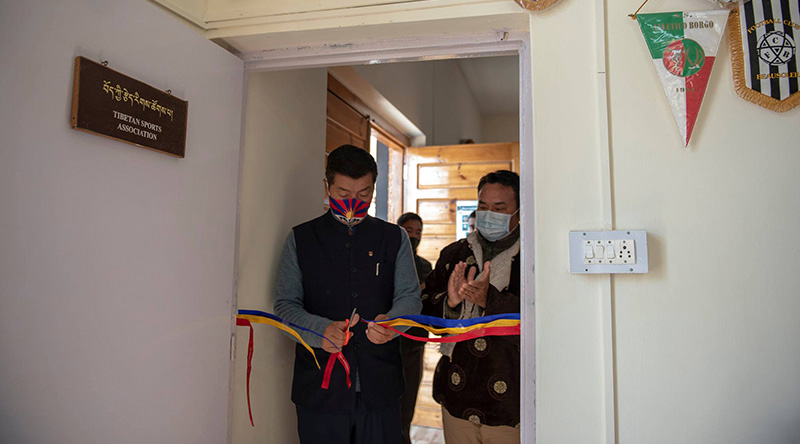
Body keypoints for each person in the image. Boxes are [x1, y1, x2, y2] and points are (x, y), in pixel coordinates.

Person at [274, 145, 422, 444]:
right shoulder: (301, 239)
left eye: (364, 194)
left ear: (374, 189)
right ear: (326, 186)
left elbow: (410, 297)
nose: (353, 203)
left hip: (381, 386)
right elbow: (285, 305)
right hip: (319, 390)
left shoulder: (394, 238)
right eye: (343, 194)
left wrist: (393, 323)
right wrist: (319, 331)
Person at [421, 170, 521, 444]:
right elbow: (425, 311)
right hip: (457, 391)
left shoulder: (533, 255)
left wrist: (490, 299)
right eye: (483, 206)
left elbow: (546, 316)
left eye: (499, 208)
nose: (489, 214)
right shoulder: (454, 254)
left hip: (512, 398)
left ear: (520, 212)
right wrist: (450, 303)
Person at [396, 212, 433, 444]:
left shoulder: (425, 266)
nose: (414, 237)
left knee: (407, 404)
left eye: (418, 232)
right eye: (409, 231)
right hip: (389, 343)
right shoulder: (387, 260)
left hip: (415, 344)